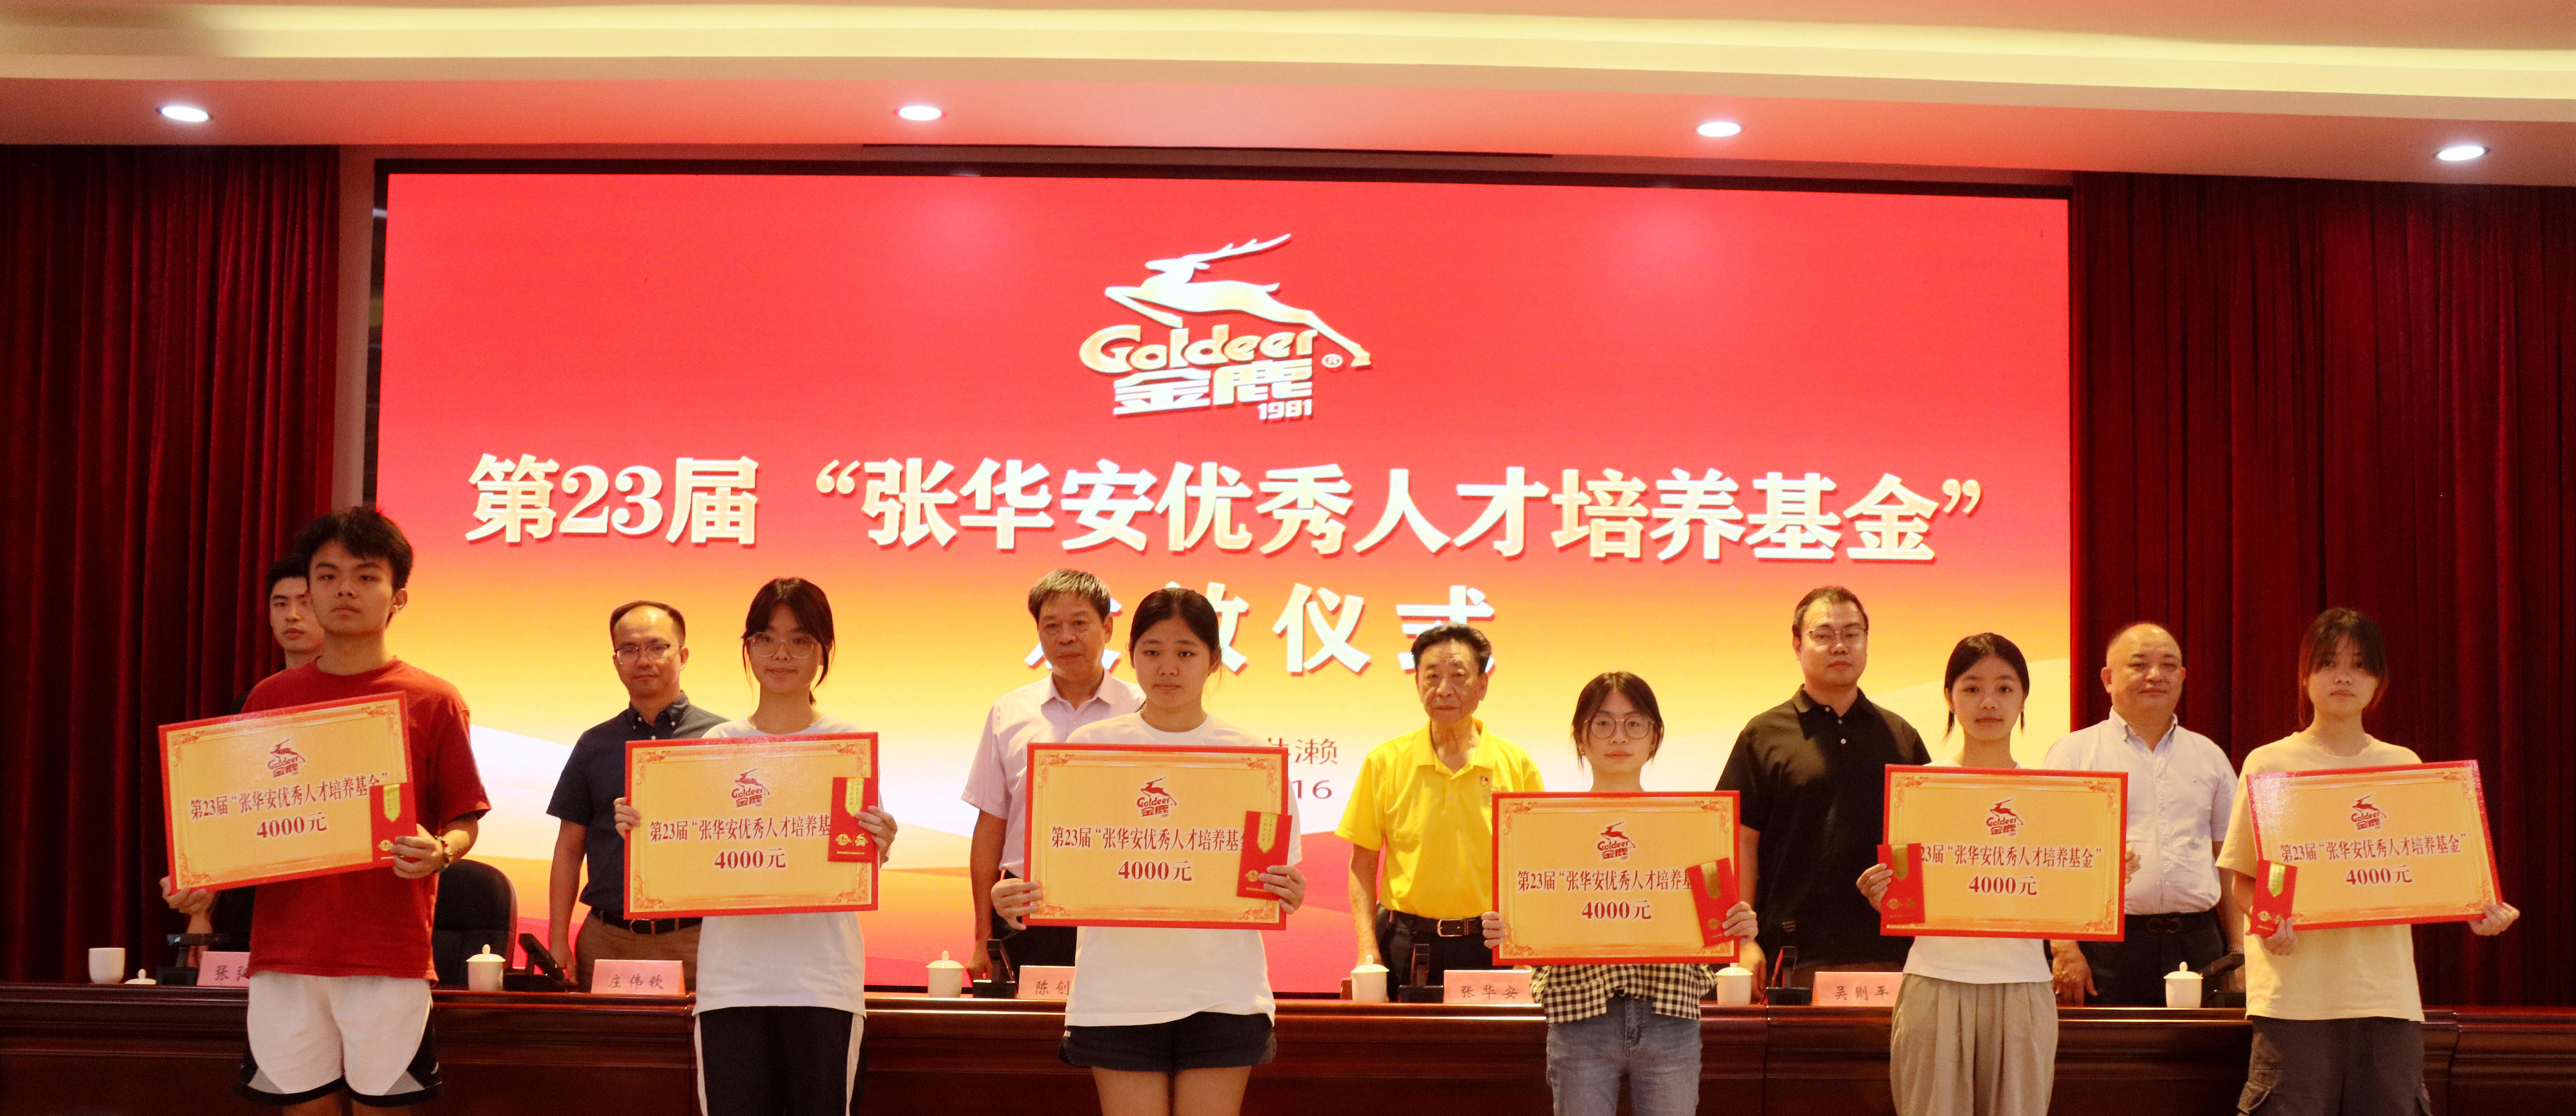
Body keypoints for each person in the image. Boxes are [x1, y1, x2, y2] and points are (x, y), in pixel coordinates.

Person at [162, 507, 491, 1113]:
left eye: (366, 576)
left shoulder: (434, 699)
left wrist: (443, 850)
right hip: (285, 952)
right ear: (309, 591)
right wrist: (202, 876)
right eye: (329, 575)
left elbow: (463, 818)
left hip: (386, 953)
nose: (345, 589)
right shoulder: (269, 698)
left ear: (398, 597)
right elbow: (240, 821)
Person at [992, 587, 1309, 1116]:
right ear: (1132, 654)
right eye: (1153, 651)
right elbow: (1049, 869)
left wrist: (1287, 890)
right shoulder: (1089, 750)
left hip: (1224, 992)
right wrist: (1012, 896)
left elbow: (1274, 879)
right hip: (1119, 993)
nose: (1168, 667)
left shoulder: (1252, 759)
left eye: (1186, 652)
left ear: (1214, 660)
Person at [2218, 609, 2518, 1116]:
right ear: (2304, 676)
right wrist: (2270, 921)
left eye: (2360, 665)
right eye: (2329, 662)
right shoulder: (2270, 764)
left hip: (2385, 994)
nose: (2344, 676)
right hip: (2294, 997)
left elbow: (2430, 868)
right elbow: (2245, 877)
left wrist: (2474, 906)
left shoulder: (2402, 765)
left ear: (2378, 681)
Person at [614, 578, 896, 1116]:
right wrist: (643, 829)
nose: (781, 654)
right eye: (766, 638)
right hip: (733, 984)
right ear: (748, 648)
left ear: (824, 651)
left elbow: (854, 860)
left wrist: (879, 841)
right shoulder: (716, 746)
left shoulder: (845, 747)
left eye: (800, 640)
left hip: (822, 983)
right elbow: (687, 854)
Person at [1477, 672, 1760, 1116]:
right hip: (1579, 1014)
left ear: (1655, 737)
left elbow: (1717, 921)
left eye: (1634, 723)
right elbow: (1532, 918)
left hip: (1670, 1014)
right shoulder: (1546, 827)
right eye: (1603, 723)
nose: (1619, 737)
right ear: (1581, 736)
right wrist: (1507, 928)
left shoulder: (1693, 824)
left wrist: (1739, 924)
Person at [1857, 634, 2093, 1116]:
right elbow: (1904, 891)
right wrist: (1884, 894)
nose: (1989, 702)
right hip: (1935, 981)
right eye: (1972, 688)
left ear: (2024, 697)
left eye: (2005, 688)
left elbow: (2063, 892)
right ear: (1949, 696)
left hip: (2024, 985)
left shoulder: (2053, 795)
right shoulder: (1919, 789)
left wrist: (2102, 877)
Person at [1717, 585, 1929, 986]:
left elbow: (1926, 842)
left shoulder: (1901, 736)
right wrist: (1745, 939)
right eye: (1824, 634)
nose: (1840, 646)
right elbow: (1740, 840)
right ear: (1797, 645)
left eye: (1852, 634)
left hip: (1891, 956)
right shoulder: (1765, 734)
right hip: (1792, 956)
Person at [1336, 624, 1543, 999]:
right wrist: (1368, 950)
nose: (1444, 689)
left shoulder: (1517, 765)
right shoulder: (1385, 762)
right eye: (1432, 676)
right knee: (1407, 1039)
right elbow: (1362, 864)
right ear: (1417, 683)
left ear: (1482, 685)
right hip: (1408, 944)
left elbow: (1534, 866)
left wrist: (1524, 946)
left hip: (1491, 946)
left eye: (1459, 676)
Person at [2042, 622, 2241, 1006]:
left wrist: (2239, 950)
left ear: (2183, 677)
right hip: (2108, 947)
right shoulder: (2074, 754)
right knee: (2111, 1046)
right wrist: (2064, 947)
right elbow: (2051, 858)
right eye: (2139, 664)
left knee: (2203, 1046)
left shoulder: (2209, 756)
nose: (2156, 675)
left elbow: (2229, 860)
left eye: (2169, 665)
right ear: (2108, 679)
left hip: (2198, 942)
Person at [962, 570, 1144, 977]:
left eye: (1079, 623)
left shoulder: (1142, 709)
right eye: (1052, 626)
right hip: (1025, 908)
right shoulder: (1009, 713)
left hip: (1116, 906)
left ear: (1107, 627)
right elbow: (991, 827)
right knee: (1029, 1019)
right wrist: (981, 938)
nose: (1066, 638)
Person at [546, 599, 728, 991]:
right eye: (629, 649)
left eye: (657, 647)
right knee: (606, 1034)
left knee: (702, 1034)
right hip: (608, 938)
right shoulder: (594, 744)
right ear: (616, 662)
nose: (643, 660)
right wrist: (557, 940)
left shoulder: (722, 739)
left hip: (697, 939)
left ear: (683, 655)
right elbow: (569, 849)